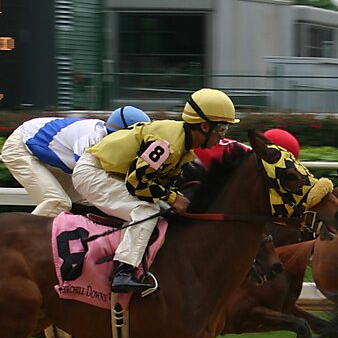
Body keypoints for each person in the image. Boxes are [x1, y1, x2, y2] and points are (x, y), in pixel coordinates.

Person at [72, 88, 239, 293]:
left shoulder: (183, 145)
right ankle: (123, 272)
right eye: (221, 129)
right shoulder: (168, 144)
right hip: (94, 172)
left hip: (113, 173)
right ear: (204, 126)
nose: (222, 137)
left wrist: (173, 197)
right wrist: (173, 198)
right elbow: (137, 183)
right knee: (146, 211)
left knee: (163, 210)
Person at [0, 106, 151, 216]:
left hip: (43, 152)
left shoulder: (107, 139)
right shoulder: (92, 138)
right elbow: (85, 176)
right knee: (58, 203)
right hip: (20, 148)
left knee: (87, 203)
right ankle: (13, 243)